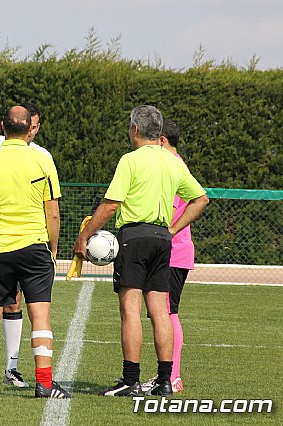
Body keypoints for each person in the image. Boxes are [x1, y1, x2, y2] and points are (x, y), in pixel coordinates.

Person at [73, 106, 208, 397]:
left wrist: (84, 235)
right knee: (161, 312)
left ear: (135, 129)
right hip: (162, 238)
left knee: (130, 310)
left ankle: (130, 380)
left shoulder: (130, 160)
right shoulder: (173, 162)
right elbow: (201, 199)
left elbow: (111, 205)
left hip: (134, 238)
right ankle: (164, 381)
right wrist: (171, 230)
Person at [0, 106, 70, 399]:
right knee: (40, 316)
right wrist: (53, 248)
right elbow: (53, 212)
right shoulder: (44, 161)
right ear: (30, 128)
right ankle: (45, 384)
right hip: (35, 249)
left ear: (2, 126)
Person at [140, 119, 192, 394]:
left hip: (173, 253)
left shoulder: (173, 165)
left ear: (161, 140)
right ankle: (170, 374)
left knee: (168, 313)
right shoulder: (173, 164)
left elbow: (173, 208)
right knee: (165, 312)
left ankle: (172, 376)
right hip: (171, 251)